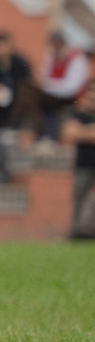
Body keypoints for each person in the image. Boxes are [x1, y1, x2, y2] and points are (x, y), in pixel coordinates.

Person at [40, 32, 90, 141]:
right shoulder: (51, 56)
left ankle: (54, 137)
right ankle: (47, 136)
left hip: (73, 97)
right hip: (53, 96)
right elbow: (44, 78)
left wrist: (52, 85)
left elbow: (71, 86)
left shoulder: (76, 57)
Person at [63, 85, 95, 240]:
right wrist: (90, 132)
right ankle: (75, 235)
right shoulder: (77, 115)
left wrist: (82, 132)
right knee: (78, 200)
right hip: (83, 165)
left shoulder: (79, 120)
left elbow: (76, 133)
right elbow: (68, 134)